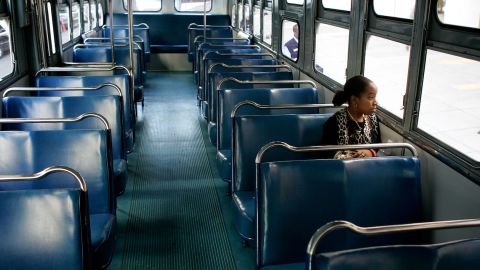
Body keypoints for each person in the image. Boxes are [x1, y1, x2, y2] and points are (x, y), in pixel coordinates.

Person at [321, 75, 381, 158]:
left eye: (375, 97)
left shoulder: (374, 120)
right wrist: (348, 156)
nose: (375, 102)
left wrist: (369, 152)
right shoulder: (334, 122)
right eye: (370, 97)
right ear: (354, 100)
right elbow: (326, 152)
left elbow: (377, 146)